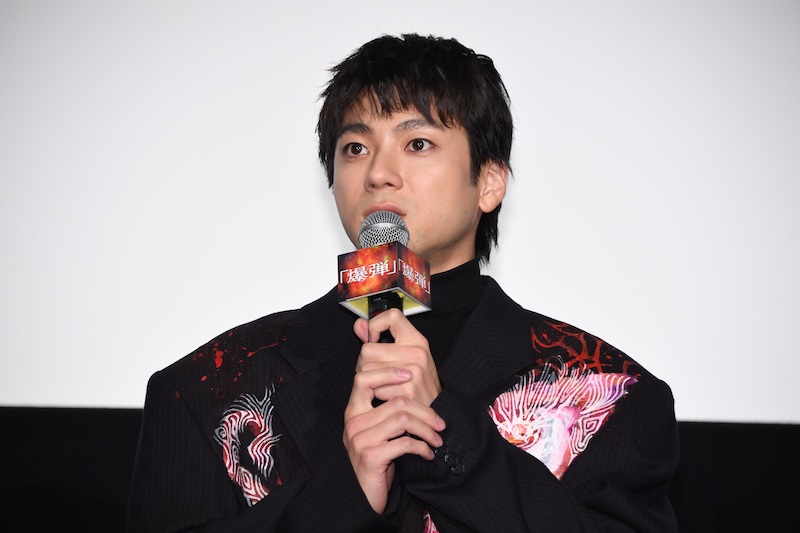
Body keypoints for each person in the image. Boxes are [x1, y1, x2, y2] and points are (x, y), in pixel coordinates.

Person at [127, 34, 679, 532]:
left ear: (489, 182)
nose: (377, 174)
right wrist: (345, 496)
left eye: (417, 144)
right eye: (355, 148)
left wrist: (449, 433)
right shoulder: (207, 388)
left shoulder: (610, 391)